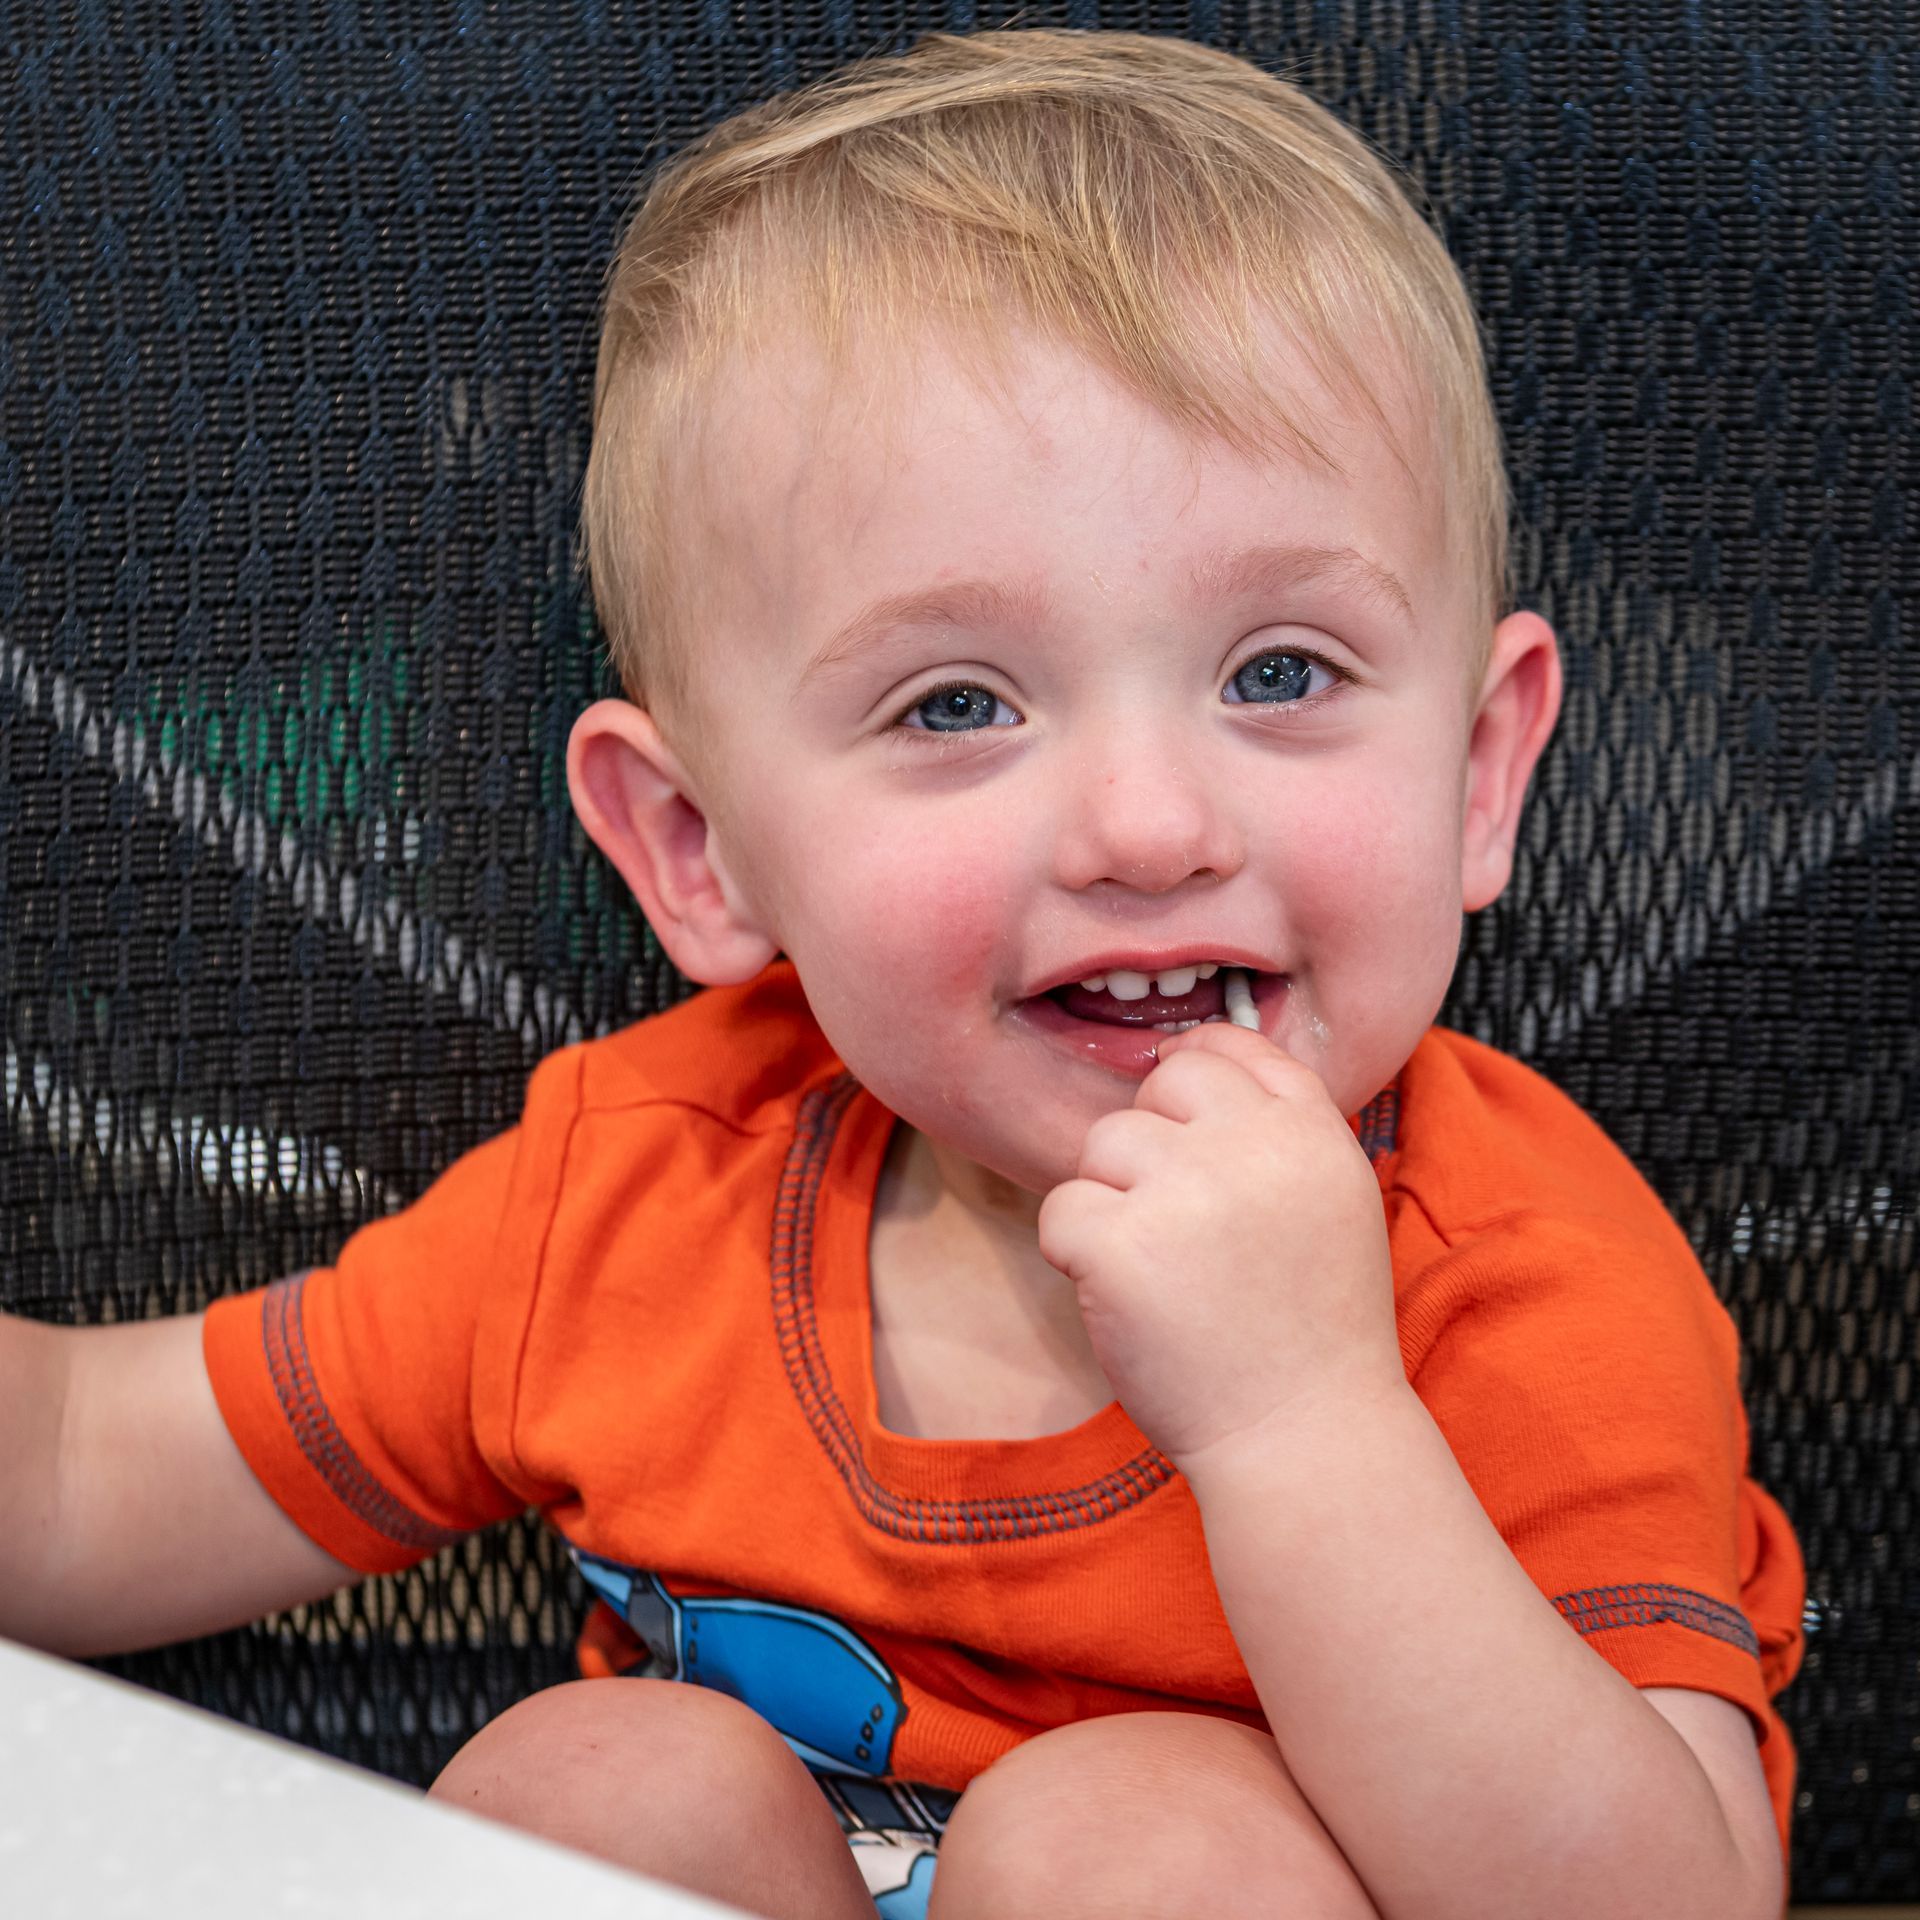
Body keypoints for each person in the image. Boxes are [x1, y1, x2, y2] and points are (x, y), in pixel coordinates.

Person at [0, 26, 1806, 1920]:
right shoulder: (635, 1205)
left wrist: (1303, 1418)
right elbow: (67, 1475)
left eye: (1279, 671)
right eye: (959, 702)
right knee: (591, 1783)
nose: (1148, 822)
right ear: (699, 853)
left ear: (1476, 771)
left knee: (1141, 1850)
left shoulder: (1508, 1284)